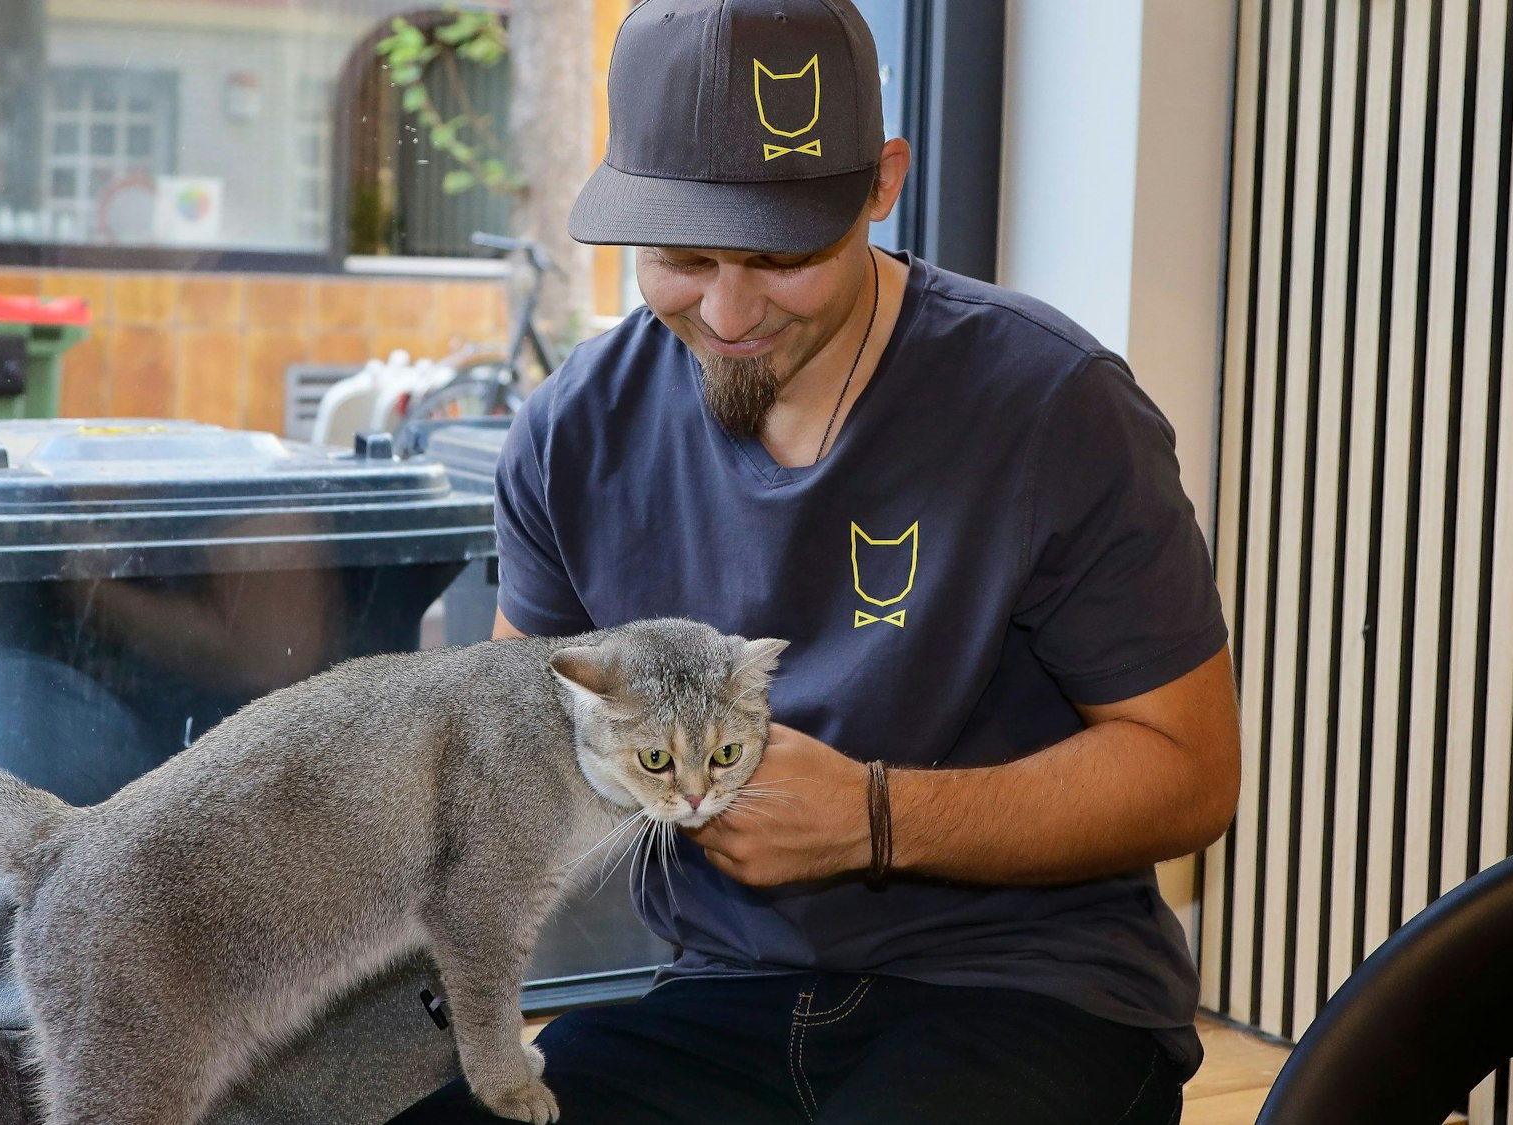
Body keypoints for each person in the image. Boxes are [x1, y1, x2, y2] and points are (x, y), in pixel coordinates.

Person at [396, 0, 1240, 1121]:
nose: (730, 310)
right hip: (717, 997)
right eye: (682, 258)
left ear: (881, 184)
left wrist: (875, 817)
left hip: (1029, 995)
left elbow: (1187, 775)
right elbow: (514, 751)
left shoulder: (1049, 405)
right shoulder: (571, 433)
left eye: (782, 255)